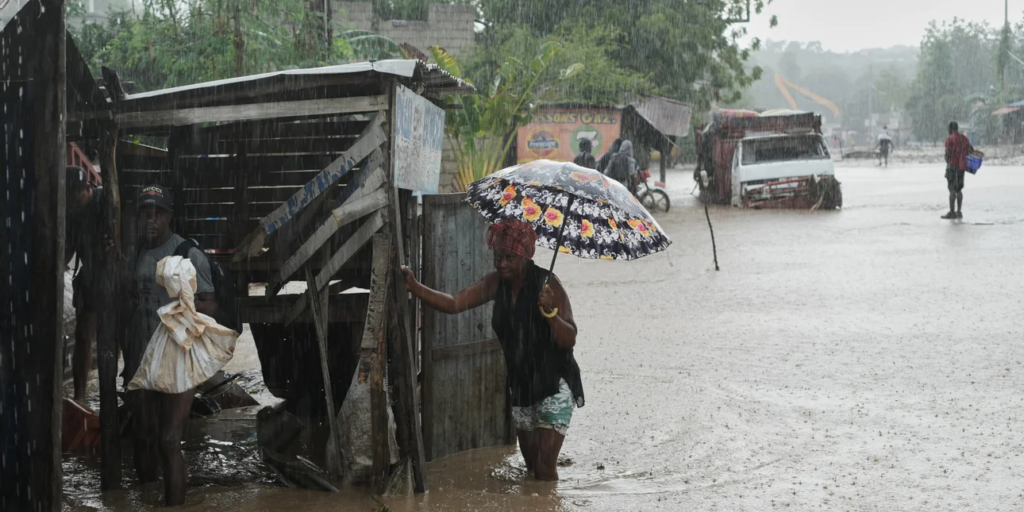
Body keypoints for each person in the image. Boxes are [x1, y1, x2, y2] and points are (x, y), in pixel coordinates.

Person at [401, 220, 584, 481]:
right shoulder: (496, 283)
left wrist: (550, 313)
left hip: (554, 382)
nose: (502, 264)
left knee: (544, 468)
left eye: (509, 257)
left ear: (525, 255)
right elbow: (454, 303)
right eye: (498, 256)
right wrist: (415, 287)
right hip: (522, 383)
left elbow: (570, 338)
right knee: (531, 467)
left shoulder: (548, 284)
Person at [125, 184, 218, 505]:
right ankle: (149, 498)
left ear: (170, 217)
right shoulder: (135, 252)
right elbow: (129, 299)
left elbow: (209, 307)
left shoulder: (187, 255)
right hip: (141, 358)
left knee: (168, 440)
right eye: (145, 213)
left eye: (158, 213)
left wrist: (178, 308)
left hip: (177, 357)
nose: (151, 219)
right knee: (142, 437)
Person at [65, 166, 110, 400]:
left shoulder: (106, 200)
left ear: (88, 188)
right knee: (83, 335)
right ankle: (80, 396)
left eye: (76, 200)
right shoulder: (71, 211)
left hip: (115, 274)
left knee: (113, 337)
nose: (73, 206)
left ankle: (116, 392)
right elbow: (68, 246)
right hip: (91, 275)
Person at [942, 122, 971, 219]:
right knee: (959, 189)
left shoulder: (949, 139)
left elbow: (947, 154)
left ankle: (952, 212)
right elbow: (970, 150)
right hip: (961, 167)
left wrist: (948, 161)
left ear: (950, 129)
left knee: (952, 190)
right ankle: (959, 212)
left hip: (952, 166)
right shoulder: (964, 138)